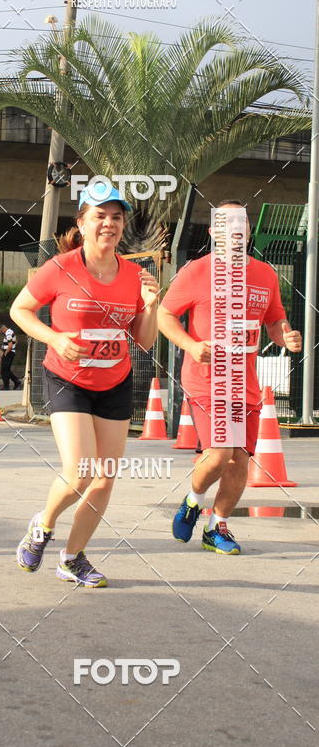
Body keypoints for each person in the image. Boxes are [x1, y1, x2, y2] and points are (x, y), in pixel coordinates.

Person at [10, 181, 160, 587]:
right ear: (83, 222)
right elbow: (20, 309)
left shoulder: (134, 275)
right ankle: (42, 526)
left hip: (114, 380)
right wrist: (55, 338)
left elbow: (143, 340)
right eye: (100, 216)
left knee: (105, 476)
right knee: (80, 472)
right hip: (67, 378)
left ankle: (72, 558)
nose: (108, 224)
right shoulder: (60, 268)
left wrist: (150, 305)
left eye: (116, 217)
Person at [158, 200, 302, 555]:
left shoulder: (265, 274)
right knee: (221, 453)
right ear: (214, 233)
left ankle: (216, 526)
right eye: (227, 226)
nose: (236, 232)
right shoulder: (196, 271)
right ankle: (193, 500)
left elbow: (274, 320)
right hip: (207, 379)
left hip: (245, 384)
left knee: (240, 460)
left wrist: (285, 335)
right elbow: (165, 316)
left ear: (248, 231)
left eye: (242, 225)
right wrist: (191, 345)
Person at [0, 323, 21, 390]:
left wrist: (6, 352)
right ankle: (15, 382)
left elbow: (10, 345)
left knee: (4, 370)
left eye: (0, 331)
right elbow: (16, 341)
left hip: (8, 353)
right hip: (10, 352)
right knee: (6, 369)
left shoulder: (8, 333)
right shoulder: (11, 332)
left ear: (2, 328)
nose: (1, 332)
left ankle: (7, 385)